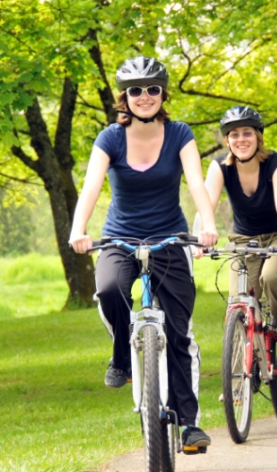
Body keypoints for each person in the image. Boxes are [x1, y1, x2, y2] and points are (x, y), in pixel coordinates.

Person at [69, 56, 218, 449]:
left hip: (170, 239)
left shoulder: (180, 133)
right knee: (109, 289)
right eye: (136, 90)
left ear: (163, 93)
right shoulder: (110, 138)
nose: (145, 96)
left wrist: (207, 223)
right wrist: (78, 230)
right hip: (120, 238)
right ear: (125, 97)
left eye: (153, 89)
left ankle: (189, 425)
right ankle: (121, 356)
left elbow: (197, 183)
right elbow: (91, 187)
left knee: (178, 333)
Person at [200, 105, 277, 356]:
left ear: (258, 137)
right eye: (234, 134)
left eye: (247, 133)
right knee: (239, 302)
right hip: (244, 240)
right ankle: (238, 379)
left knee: (271, 277)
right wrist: (200, 239)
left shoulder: (275, 163)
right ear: (227, 140)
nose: (241, 139)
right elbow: (206, 207)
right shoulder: (220, 167)